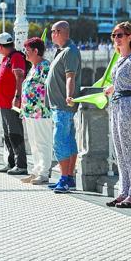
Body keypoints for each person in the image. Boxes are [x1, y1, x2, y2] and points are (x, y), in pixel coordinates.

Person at [104, 22, 131, 208]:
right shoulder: (120, 59)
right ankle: (124, 190)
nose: (116, 38)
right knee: (120, 150)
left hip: (129, 105)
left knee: (129, 149)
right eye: (114, 35)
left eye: (120, 35)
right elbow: (123, 80)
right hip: (117, 104)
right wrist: (113, 87)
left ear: (130, 36)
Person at [46, 20, 81, 193]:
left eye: (53, 31)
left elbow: (70, 76)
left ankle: (65, 178)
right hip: (58, 106)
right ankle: (69, 177)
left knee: (59, 142)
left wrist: (69, 95)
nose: (51, 34)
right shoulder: (62, 51)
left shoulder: (70, 51)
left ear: (60, 32)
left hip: (63, 105)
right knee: (68, 141)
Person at [0, 32, 27, 175]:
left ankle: (21, 164)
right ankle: (11, 162)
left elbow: (19, 76)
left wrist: (17, 96)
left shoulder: (16, 57)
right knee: (7, 134)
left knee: (15, 133)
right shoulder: (6, 58)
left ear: (1, 46)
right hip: (4, 102)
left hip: (11, 102)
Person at [20, 37, 52, 185]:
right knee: (33, 143)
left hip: (41, 111)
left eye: (27, 50)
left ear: (36, 51)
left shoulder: (45, 66)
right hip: (30, 111)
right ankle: (36, 171)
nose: (25, 53)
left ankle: (44, 173)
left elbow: (49, 87)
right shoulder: (33, 67)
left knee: (43, 142)